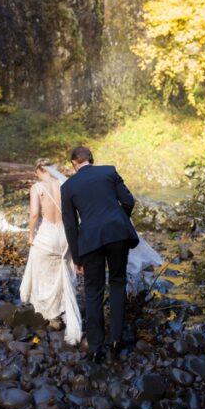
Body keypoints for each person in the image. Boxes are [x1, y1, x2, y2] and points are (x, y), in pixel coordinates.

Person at [61, 146, 139, 365]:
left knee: (93, 291)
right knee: (117, 282)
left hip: (90, 242)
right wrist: (118, 221)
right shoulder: (109, 171)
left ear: (73, 164)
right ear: (91, 160)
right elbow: (128, 201)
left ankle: (95, 348)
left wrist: (77, 258)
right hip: (117, 235)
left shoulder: (68, 187)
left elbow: (70, 226)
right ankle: (116, 339)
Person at [20, 158, 82, 345]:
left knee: (43, 273)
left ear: (39, 170)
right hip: (66, 235)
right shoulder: (64, 183)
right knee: (63, 271)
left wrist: (31, 235)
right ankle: (64, 309)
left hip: (47, 234)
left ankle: (52, 314)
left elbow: (34, 214)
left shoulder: (37, 187)